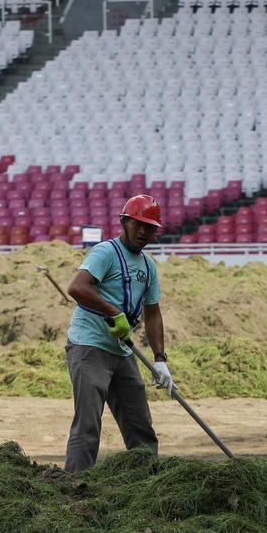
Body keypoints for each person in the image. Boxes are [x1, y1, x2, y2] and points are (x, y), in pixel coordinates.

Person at [63, 194, 175, 473]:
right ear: (124, 222)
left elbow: (152, 312)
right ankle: (73, 488)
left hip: (123, 351)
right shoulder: (105, 253)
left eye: (149, 228)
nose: (143, 232)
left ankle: (146, 482)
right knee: (88, 425)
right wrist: (114, 312)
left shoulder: (148, 267)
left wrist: (160, 358)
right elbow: (77, 288)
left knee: (140, 426)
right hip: (89, 347)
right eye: (137, 224)